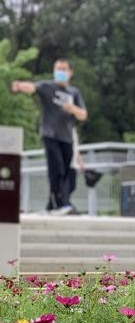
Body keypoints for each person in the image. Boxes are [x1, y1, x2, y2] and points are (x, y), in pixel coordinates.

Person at [11, 59, 88, 215]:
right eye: (57, 69)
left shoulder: (74, 92)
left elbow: (83, 115)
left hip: (67, 137)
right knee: (56, 168)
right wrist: (19, 86)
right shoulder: (48, 87)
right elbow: (33, 87)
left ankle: (57, 204)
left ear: (70, 72)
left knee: (67, 172)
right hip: (50, 134)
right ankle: (57, 202)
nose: (60, 72)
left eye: (63, 69)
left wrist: (72, 109)